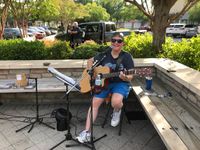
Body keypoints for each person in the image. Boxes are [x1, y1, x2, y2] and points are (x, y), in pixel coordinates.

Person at [76, 32, 134, 143]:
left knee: (116, 102)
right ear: (110, 42)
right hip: (103, 83)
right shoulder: (104, 54)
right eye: (114, 40)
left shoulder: (126, 57)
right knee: (94, 103)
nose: (116, 43)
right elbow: (90, 61)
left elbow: (131, 76)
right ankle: (86, 133)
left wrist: (125, 77)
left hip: (120, 83)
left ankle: (117, 110)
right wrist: (91, 72)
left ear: (123, 43)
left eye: (119, 41)